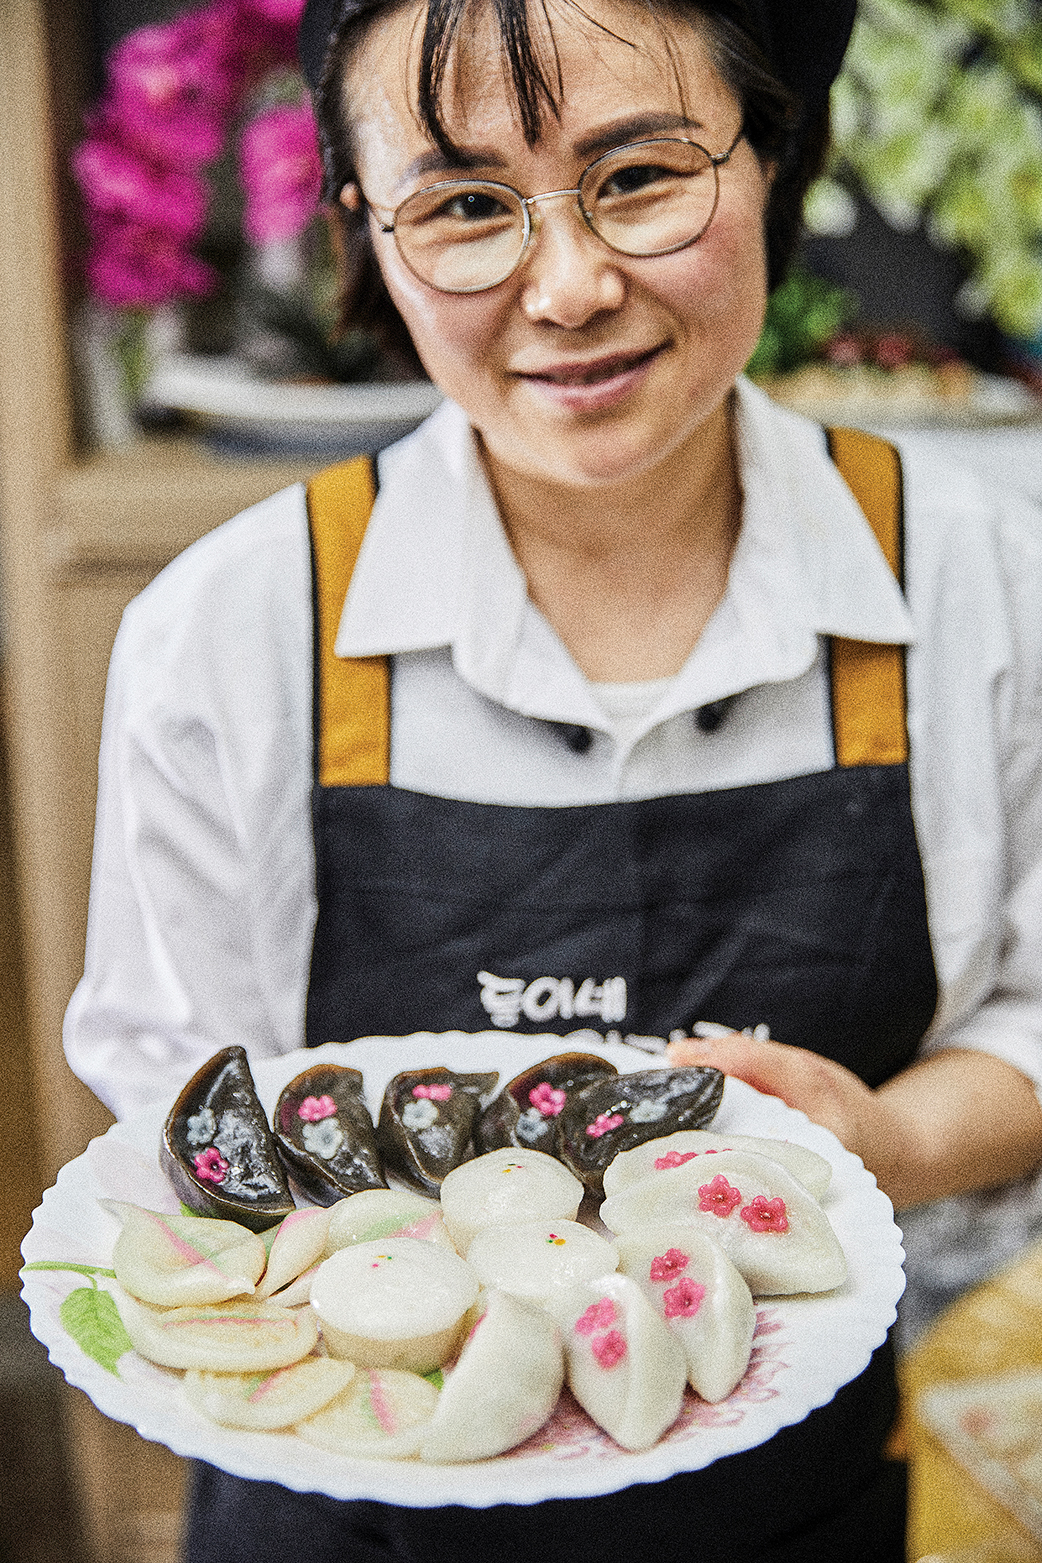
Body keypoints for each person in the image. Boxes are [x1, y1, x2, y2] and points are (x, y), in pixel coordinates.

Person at [64, 0, 1042, 1557]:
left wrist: (897, 1140)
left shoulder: (980, 581)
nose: (571, 287)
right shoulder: (235, 628)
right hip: (350, 1475)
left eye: (640, 177)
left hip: (789, 1502)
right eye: (461, 206)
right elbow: (184, 1091)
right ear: (366, 236)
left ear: (772, 160)